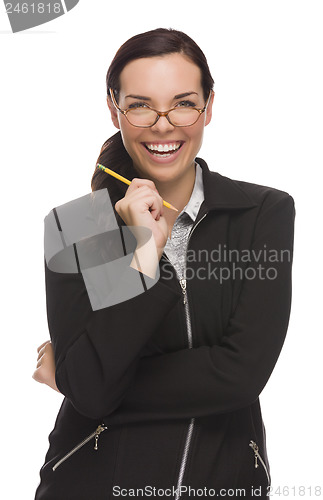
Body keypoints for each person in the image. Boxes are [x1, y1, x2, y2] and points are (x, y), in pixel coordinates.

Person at [33, 28, 295, 500]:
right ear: (114, 108)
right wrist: (144, 255)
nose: (163, 124)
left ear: (209, 106)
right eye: (139, 105)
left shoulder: (262, 213)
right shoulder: (79, 227)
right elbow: (91, 390)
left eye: (183, 103)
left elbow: (241, 375)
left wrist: (73, 379)